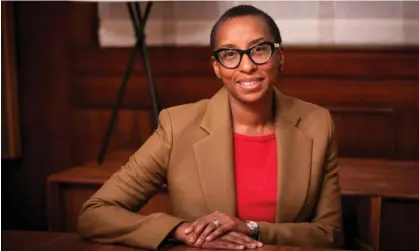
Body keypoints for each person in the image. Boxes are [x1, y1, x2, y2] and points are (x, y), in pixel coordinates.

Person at [78, 4, 344, 250]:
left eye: (259, 49)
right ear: (216, 67)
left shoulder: (317, 124)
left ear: (280, 57)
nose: (247, 65)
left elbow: (330, 233)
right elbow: (96, 212)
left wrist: (251, 229)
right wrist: (179, 230)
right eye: (230, 54)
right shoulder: (177, 125)